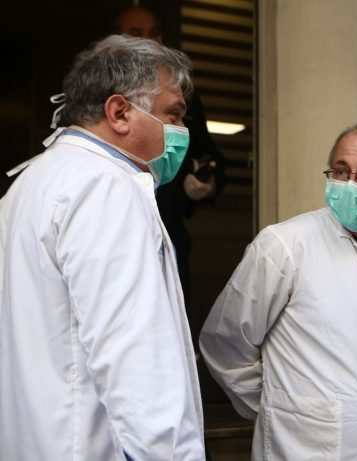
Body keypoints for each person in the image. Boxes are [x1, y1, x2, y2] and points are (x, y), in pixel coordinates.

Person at [0, 35, 205, 460]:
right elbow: (135, 359)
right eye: (174, 114)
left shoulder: (32, 182)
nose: (182, 131)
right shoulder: (106, 187)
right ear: (120, 112)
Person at [199, 121, 357, 460]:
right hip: (308, 449)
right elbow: (226, 343)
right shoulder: (284, 246)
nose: (350, 185)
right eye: (341, 171)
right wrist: (282, 407)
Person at [117, 5, 227, 311]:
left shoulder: (181, 95)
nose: (148, 41)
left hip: (168, 228)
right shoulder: (97, 92)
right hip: (117, 232)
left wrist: (204, 184)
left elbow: (206, 153)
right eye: (136, 34)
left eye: (154, 33)